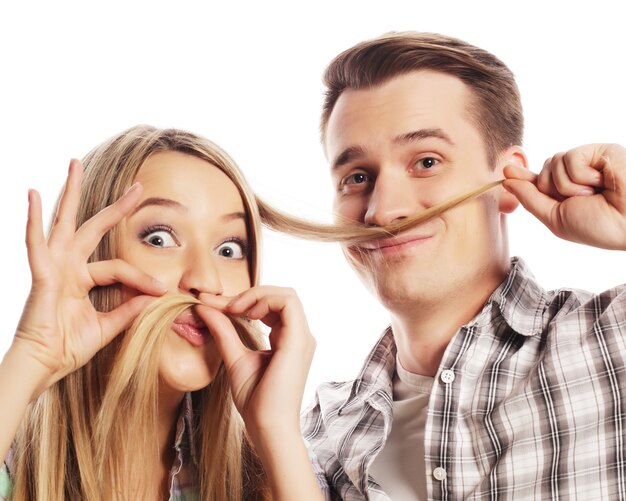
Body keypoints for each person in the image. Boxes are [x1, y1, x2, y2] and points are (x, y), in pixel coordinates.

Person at [296, 32, 626, 500]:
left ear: (508, 181)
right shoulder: (318, 435)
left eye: (426, 161)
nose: (382, 211)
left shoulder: (616, 337)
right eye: (357, 177)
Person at [0, 125, 324, 500]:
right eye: (159, 238)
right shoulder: (13, 463)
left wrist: (276, 430)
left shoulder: (279, 471)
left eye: (230, 248)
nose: (206, 279)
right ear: (93, 260)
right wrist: (31, 355)